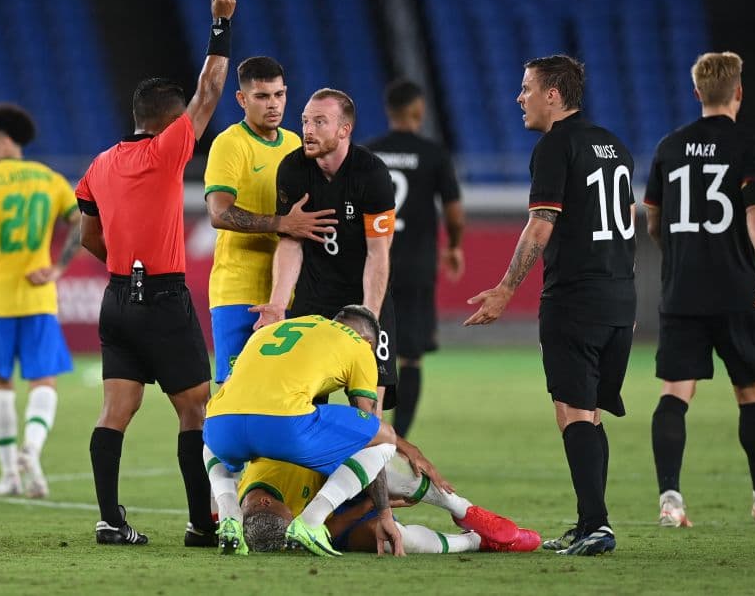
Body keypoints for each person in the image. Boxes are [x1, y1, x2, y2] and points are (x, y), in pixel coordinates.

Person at [75, 0, 236, 548]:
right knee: (197, 410)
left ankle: (109, 521)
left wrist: (122, 263)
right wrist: (220, 23)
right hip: (163, 298)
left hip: (117, 299)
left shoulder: (100, 163)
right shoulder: (167, 150)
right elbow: (211, 89)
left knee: (115, 408)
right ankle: (200, 523)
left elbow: (85, 231)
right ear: (170, 124)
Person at [464, 55, 636, 557]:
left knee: (572, 409)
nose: (520, 98)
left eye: (527, 89)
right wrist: (627, 295)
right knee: (589, 413)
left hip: (576, 297)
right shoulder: (616, 146)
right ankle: (589, 524)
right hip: (618, 296)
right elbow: (623, 226)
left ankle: (598, 525)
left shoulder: (555, 146)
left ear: (553, 96)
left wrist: (504, 288)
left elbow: (541, 223)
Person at [643, 51, 755, 528]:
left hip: (683, 291)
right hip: (737, 290)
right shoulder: (750, 144)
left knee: (675, 394)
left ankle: (671, 499)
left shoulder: (670, 146)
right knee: (752, 394)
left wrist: (679, 251)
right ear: (739, 92)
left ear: (696, 94)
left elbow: (652, 217)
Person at [203, 306, 402, 557]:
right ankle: (311, 521)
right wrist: (384, 512)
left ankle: (229, 511)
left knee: (210, 442)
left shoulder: (269, 331)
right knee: (384, 440)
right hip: (283, 426)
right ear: (369, 341)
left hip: (221, 423)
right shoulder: (359, 345)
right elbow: (367, 431)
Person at [252, 88, 399, 410]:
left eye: (320, 122)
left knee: (366, 410)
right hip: (314, 298)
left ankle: (372, 461)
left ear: (344, 130)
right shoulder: (292, 169)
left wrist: (369, 317)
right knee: (304, 403)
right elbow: (291, 242)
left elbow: (378, 253)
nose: (307, 130)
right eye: (305, 121)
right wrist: (278, 304)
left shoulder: (371, 174)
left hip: (364, 297)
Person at [204, 56, 337, 383]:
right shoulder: (230, 144)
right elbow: (219, 212)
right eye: (262, 96)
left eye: (278, 95)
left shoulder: (295, 144)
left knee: (287, 394)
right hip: (239, 290)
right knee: (233, 392)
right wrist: (282, 224)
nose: (273, 104)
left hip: (289, 292)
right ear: (242, 99)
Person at [0, 103, 82, 499]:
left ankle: (9, 475)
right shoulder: (50, 180)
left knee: (0, 383)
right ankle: (32, 448)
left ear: (3, 139)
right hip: (39, 297)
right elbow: (82, 221)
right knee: (44, 380)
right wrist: (58, 267)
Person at [366, 79, 464, 437]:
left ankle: (365, 431)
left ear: (389, 110)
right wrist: (453, 246)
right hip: (417, 264)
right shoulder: (434, 153)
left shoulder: (369, 152)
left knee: (365, 347)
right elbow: (454, 213)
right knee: (411, 355)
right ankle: (399, 438)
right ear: (418, 111)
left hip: (374, 264)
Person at [237, 456, 540, 554]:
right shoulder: (257, 522)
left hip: (344, 478)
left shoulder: (276, 460)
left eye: (293, 522)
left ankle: (465, 511)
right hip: (339, 518)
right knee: (394, 540)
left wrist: (376, 495)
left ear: (266, 501)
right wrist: (375, 505)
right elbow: (325, 529)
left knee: (377, 463)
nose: (298, 524)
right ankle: (475, 541)